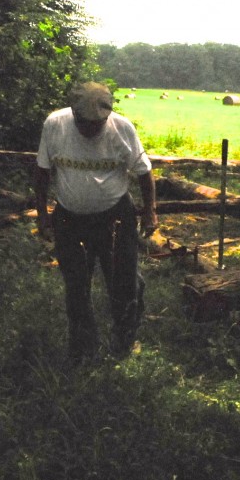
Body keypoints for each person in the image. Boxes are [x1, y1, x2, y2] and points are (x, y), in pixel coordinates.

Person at [33, 81, 158, 363]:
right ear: (73, 113)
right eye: (84, 123)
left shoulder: (122, 128)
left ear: (107, 115)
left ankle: (124, 341)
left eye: (97, 123)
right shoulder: (55, 124)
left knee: (123, 281)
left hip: (115, 217)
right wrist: (42, 215)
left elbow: (144, 172)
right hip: (69, 218)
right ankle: (83, 347)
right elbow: (42, 172)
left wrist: (150, 211)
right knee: (76, 284)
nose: (90, 129)